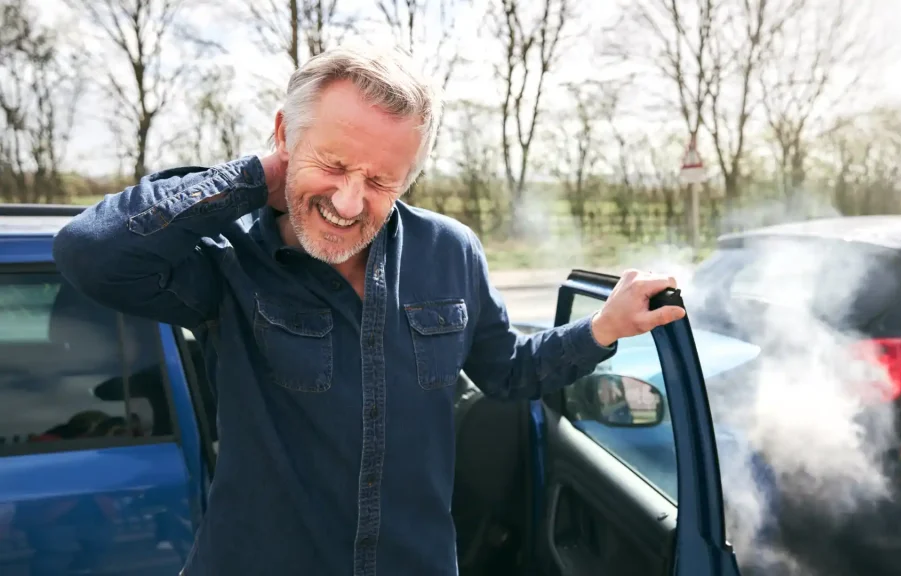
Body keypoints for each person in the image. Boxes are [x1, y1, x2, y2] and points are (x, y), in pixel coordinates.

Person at [52, 37, 686, 576]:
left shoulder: (450, 250)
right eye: (332, 163)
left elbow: (507, 371)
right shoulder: (229, 256)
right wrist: (254, 177)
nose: (351, 203)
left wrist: (604, 327)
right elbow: (91, 254)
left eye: (382, 180)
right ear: (282, 135)